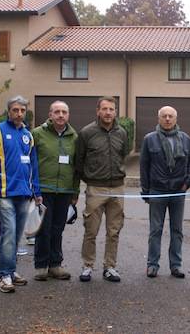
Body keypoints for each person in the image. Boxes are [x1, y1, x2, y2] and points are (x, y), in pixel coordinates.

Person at [0, 95, 42, 293]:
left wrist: (37, 191)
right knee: (8, 233)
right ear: (8, 111)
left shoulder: (28, 135)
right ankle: (4, 276)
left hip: (24, 194)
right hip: (4, 193)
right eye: (15, 110)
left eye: (22, 110)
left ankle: (11, 270)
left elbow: (33, 164)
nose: (19, 114)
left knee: (17, 236)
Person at [76, 96, 129, 283]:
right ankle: (87, 266)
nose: (108, 113)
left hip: (117, 188)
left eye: (112, 109)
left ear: (115, 112)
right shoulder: (86, 133)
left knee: (114, 231)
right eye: (105, 109)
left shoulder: (122, 133)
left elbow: (124, 155)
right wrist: (90, 178)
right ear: (98, 111)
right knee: (91, 230)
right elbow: (79, 161)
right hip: (96, 188)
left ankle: (110, 267)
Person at [140, 106, 190, 279]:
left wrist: (187, 183)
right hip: (157, 191)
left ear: (176, 118)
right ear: (159, 119)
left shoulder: (186, 139)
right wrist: (146, 191)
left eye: (171, 116)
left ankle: (176, 265)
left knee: (177, 230)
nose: (168, 119)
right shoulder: (149, 139)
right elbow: (144, 166)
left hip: (178, 191)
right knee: (155, 230)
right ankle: (152, 265)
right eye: (164, 116)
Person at [31, 100, 80, 281]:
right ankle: (41, 265)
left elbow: (77, 167)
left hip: (65, 191)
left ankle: (55, 264)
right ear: (50, 115)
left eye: (64, 112)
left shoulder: (74, 137)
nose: (61, 115)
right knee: (43, 229)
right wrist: (33, 190)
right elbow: (30, 164)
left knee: (58, 229)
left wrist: (75, 192)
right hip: (43, 190)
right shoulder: (37, 134)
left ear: (68, 115)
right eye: (57, 112)